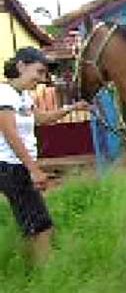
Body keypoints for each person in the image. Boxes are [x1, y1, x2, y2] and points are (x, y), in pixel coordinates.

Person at [0, 47, 89, 264]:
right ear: (21, 66)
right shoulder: (4, 94)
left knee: (32, 223)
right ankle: (46, 275)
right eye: (38, 72)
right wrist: (34, 170)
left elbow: (42, 119)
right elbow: (10, 134)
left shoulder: (24, 96)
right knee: (41, 226)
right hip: (10, 166)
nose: (41, 78)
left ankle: (32, 269)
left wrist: (71, 108)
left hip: (19, 166)